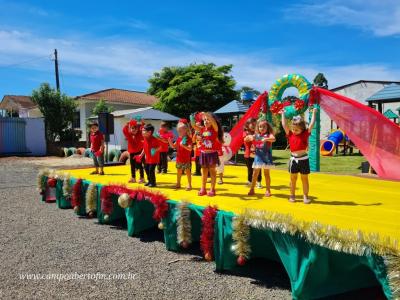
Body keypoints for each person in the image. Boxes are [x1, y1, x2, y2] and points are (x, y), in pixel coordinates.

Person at [281, 108, 318, 204]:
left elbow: (311, 124)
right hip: (293, 160)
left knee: (304, 178)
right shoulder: (290, 134)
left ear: (302, 129)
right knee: (293, 178)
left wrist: (314, 113)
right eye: (293, 129)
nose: (294, 131)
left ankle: (305, 196)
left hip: (303, 160)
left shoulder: (305, 134)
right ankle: (292, 195)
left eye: (296, 130)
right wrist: (283, 114)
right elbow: (284, 125)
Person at [191, 112, 224, 197]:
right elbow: (194, 126)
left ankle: (212, 189)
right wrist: (192, 118)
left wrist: (206, 114)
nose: (206, 121)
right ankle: (203, 188)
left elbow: (213, 121)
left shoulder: (215, 129)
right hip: (203, 153)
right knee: (204, 172)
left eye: (208, 119)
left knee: (212, 172)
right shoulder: (202, 129)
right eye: (204, 120)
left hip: (212, 153)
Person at [247, 120, 276, 197]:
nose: (262, 128)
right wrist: (249, 137)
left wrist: (266, 139)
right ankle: (252, 189)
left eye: (264, 126)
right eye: (260, 126)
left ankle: (268, 190)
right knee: (254, 174)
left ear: (267, 127)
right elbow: (247, 138)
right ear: (258, 128)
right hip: (258, 157)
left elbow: (273, 139)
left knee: (266, 174)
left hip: (266, 157)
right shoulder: (257, 135)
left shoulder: (269, 135)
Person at [168, 119, 193, 190]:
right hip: (179, 158)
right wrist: (169, 141)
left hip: (186, 159)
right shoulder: (179, 138)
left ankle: (189, 184)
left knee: (187, 172)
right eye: (178, 131)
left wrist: (184, 145)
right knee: (179, 171)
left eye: (180, 131)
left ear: (185, 130)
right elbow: (173, 146)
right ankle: (178, 183)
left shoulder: (188, 139)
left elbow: (190, 149)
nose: (179, 132)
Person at [122, 119, 145, 183]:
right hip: (131, 152)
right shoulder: (129, 134)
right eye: (132, 128)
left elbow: (143, 129)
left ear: (138, 129)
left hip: (138, 152)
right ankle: (133, 178)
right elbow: (124, 130)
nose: (134, 130)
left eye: (135, 128)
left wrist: (142, 124)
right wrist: (127, 124)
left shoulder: (140, 134)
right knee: (132, 165)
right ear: (130, 129)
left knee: (139, 165)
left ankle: (142, 178)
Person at [243, 118, 262, 188]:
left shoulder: (259, 132)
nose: (254, 126)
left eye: (255, 124)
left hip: (257, 155)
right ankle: (249, 181)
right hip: (248, 154)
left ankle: (259, 182)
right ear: (247, 125)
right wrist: (254, 136)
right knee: (250, 169)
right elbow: (246, 139)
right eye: (252, 124)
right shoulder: (245, 132)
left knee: (258, 169)